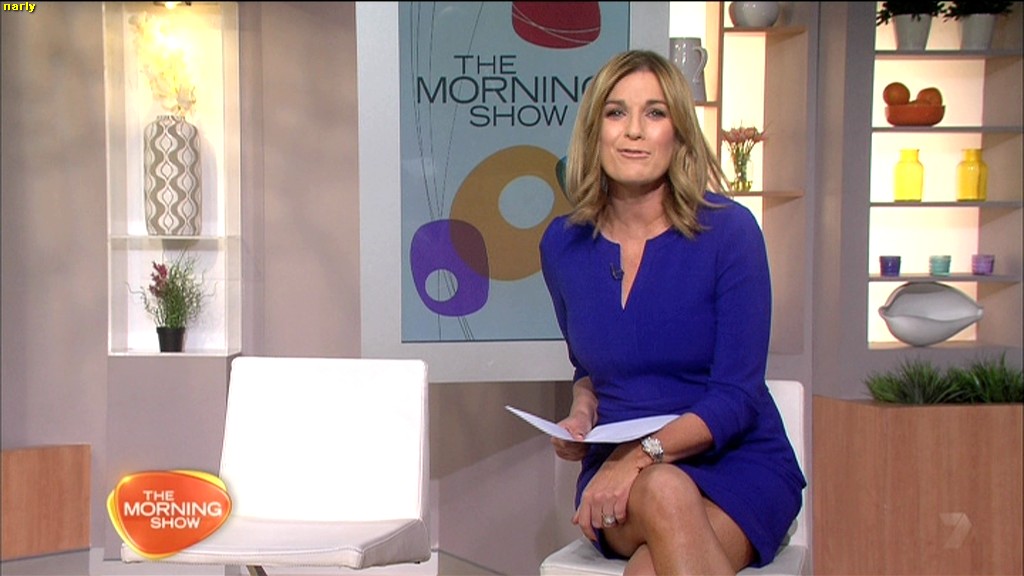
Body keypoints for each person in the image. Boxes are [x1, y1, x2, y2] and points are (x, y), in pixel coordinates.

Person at [539, 49, 806, 575]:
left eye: (655, 113)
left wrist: (640, 456)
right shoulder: (562, 245)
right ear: (594, 131)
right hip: (625, 477)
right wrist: (582, 415)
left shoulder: (730, 233)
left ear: (678, 132)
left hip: (737, 462)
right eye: (616, 112)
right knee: (664, 490)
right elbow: (589, 368)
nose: (634, 130)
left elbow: (737, 396)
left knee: (650, 565)